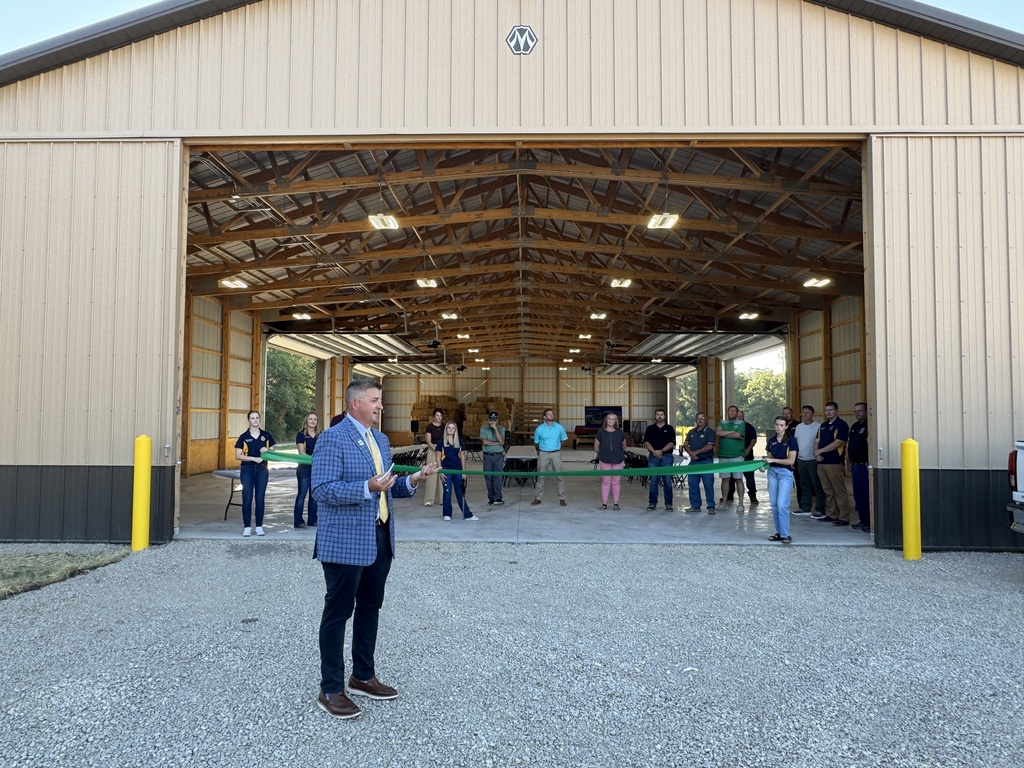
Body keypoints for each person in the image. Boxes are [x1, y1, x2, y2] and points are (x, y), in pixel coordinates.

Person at [311, 379, 439, 720]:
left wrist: (413, 480)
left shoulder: (380, 440)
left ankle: (362, 676)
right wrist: (366, 486)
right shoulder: (331, 438)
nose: (381, 406)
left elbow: (385, 490)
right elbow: (322, 490)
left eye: (379, 400)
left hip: (380, 537)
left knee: (370, 607)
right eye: (375, 400)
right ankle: (331, 688)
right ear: (355, 404)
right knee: (338, 613)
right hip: (345, 541)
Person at [234, 410, 275, 537]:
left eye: (257, 418)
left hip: (262, 469)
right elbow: (238, 455)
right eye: (252, 418)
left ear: (260, 420)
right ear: (249, 420)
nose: (255, 420)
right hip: (247, 469)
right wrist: (253, 458)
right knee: (247, 497)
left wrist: (267, 450)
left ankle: (259, 526)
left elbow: (273, 451)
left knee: (260, 497)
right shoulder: (243, 437)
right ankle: (247, 526)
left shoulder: (266, 435)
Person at [815, 401, 853, 526]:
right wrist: (816, 453)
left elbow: (838, 443)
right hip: (821, 462)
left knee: (839, 490)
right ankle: (832, 514)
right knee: (828, 490)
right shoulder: (823, 425)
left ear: (836, 411)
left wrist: (820, 451)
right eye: (826, 410)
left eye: (831, 410)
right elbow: (817, 440)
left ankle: (844, 517)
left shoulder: (841, 425)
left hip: (834, 462)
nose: (828, 412)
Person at [764, 416, 797, 543]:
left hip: (785, 473)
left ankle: (785, 534)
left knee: (782, 504)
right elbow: (768, 457)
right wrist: (765, 464)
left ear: (786, 426)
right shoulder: (771, 440)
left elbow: (791, 460)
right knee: (774, 504)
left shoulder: (791, 440)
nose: (778, 427)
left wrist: (773, 460)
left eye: (781, 425)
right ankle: (779, 532)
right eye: (777, 424)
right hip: (772, 472)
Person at [793, 405, 827, 517]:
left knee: (817, 485)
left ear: (813, 414)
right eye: (804, 412)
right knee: (804, 485)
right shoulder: (799, 427)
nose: (805, 414)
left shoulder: (818, 426)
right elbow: (796, 443)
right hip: (801, 459)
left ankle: (820, 509)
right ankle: (805, 507)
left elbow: (820, 442)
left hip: (813, 460)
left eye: (808, 412)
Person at [439, 421, 477, 521]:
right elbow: (438, 458)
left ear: (455, 430)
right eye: (449, 427)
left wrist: (464, 472)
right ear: (446, 429)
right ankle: (447, 514)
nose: (451, 429)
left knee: (460, 492)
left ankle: (467, 515)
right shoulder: (441, 442)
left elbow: (463, 458)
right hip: (446, 470)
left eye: (453, 428)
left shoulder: (459, 442)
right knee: (447, 492)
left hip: (457, 471)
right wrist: (440, 471)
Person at [531, 408, 568, 506]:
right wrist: (545, 449)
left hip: (556, 453)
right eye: (548, 414)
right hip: (543, 454)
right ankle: (538, 498)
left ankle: (562, 498)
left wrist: (556, 448)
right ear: (544, 417)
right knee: (540, 476)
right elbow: (536, 443)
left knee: (559, 476)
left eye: (552, 414)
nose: (551, 416)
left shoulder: (560, 427)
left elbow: (563, 440)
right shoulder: (539, 429)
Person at [682, 412, 717, 514]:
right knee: (692, 484)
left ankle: (711, 506)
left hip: (706, 462)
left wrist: (695, 452)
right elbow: (686, 444)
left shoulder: (710, 432)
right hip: (693, 462)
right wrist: (690, 454)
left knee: (708, 485)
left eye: (702, 418)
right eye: (698, 418)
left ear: (705, 419)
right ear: (695, 420)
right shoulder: (691, 432)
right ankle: (695, 506)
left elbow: (709, 446)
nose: (700, 420)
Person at [643, 408, 676, 511]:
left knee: (667, 481)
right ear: (655, 416)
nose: (659, 416)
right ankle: (652, 503)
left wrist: (661, 451)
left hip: (667, 457)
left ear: (664, 416)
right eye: (658, 414)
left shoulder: (670, 428)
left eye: (661, 414)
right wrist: (654, 452)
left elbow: (671, 443)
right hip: (653, 458)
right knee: (653, 481)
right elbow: (646, 442)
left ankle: (668, 504)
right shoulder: (650, 428)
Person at [716, 405, 747, 511]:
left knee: (738, 479)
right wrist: (731, 432)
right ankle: (724, 502)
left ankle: (741, 503)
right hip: (724, 455)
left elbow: (738, 435)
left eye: (734, 411)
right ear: (727, 412)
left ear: (737, 413)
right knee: (725, 479)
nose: (732, 412)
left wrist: (726, 434)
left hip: (737, 455)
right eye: (730, 410)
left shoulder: (741, 423)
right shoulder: (722, 422)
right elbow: (718, 433)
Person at [594, 412, 626, 510]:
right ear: (606, 420)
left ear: (616, 421)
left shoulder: (620, 432)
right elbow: (596, 446)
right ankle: (604, 503)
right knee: (606, 481)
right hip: (605, 460)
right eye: (609, 419)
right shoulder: (601, 432)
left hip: (618, 460)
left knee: (616, 482)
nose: (611, 421)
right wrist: (603, 454)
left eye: (613, 419)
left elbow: (624, 445)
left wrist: (619, 453)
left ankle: (616, 503)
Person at [726, 409, 759, 505]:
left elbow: (753, 440)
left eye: (741, 416)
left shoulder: (749, 427)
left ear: (744, 417)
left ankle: (753, 496)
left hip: (747, 457)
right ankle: (729, 496)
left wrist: (748, 450)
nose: (739, 418)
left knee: (749, 478)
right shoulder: (730, 427)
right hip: (733, 456)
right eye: (738, 416)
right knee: (731, 478)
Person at [293, 412, 319, 528]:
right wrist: (314, 459)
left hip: (317, 468)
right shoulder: (301, 435)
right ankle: (298, 521)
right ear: (306, 421)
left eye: (315, 419)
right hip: (304, 468)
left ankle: (312, 519)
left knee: (314, 495)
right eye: (310, 419)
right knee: (302, 494)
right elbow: (301, 452)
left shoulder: (320, 435)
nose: (313, 421)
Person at [849, 402, 871, 532]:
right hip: (855, 466)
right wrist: (849, 460)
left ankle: (870, 522)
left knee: (867, 494)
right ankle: (863, 520)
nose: (857, 413)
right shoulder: (854, 426)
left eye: (860, 411)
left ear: (866, 411)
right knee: (858, 495)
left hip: (865, 466)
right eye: (855, 411)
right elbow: (850, 444)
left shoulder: (869, 426)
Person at [480, 411, 506, 506]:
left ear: (497, 420)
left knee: (498, 477)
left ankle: (498, 498)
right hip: (487, 456)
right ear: (488, 420)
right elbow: (485, 442)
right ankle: (491, 497)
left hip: (498, 455)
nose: (492, 422)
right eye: (491, 420)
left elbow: (501, 441)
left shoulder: (501, 429)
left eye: (494, 420)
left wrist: (495, 430)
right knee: (488, 477)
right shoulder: (484, 428)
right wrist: (496, 443)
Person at [422, 408, 445, 507]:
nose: (438, 418)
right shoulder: (429, 427)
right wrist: (436, 450)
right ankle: (429, 500)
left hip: (443, 452)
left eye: (440, 416)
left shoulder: (445, 427)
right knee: (431, 475)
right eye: (437, 415)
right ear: (434, 416)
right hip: (433, 451)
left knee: (443, 475)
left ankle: (443, 499)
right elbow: (428, 441)